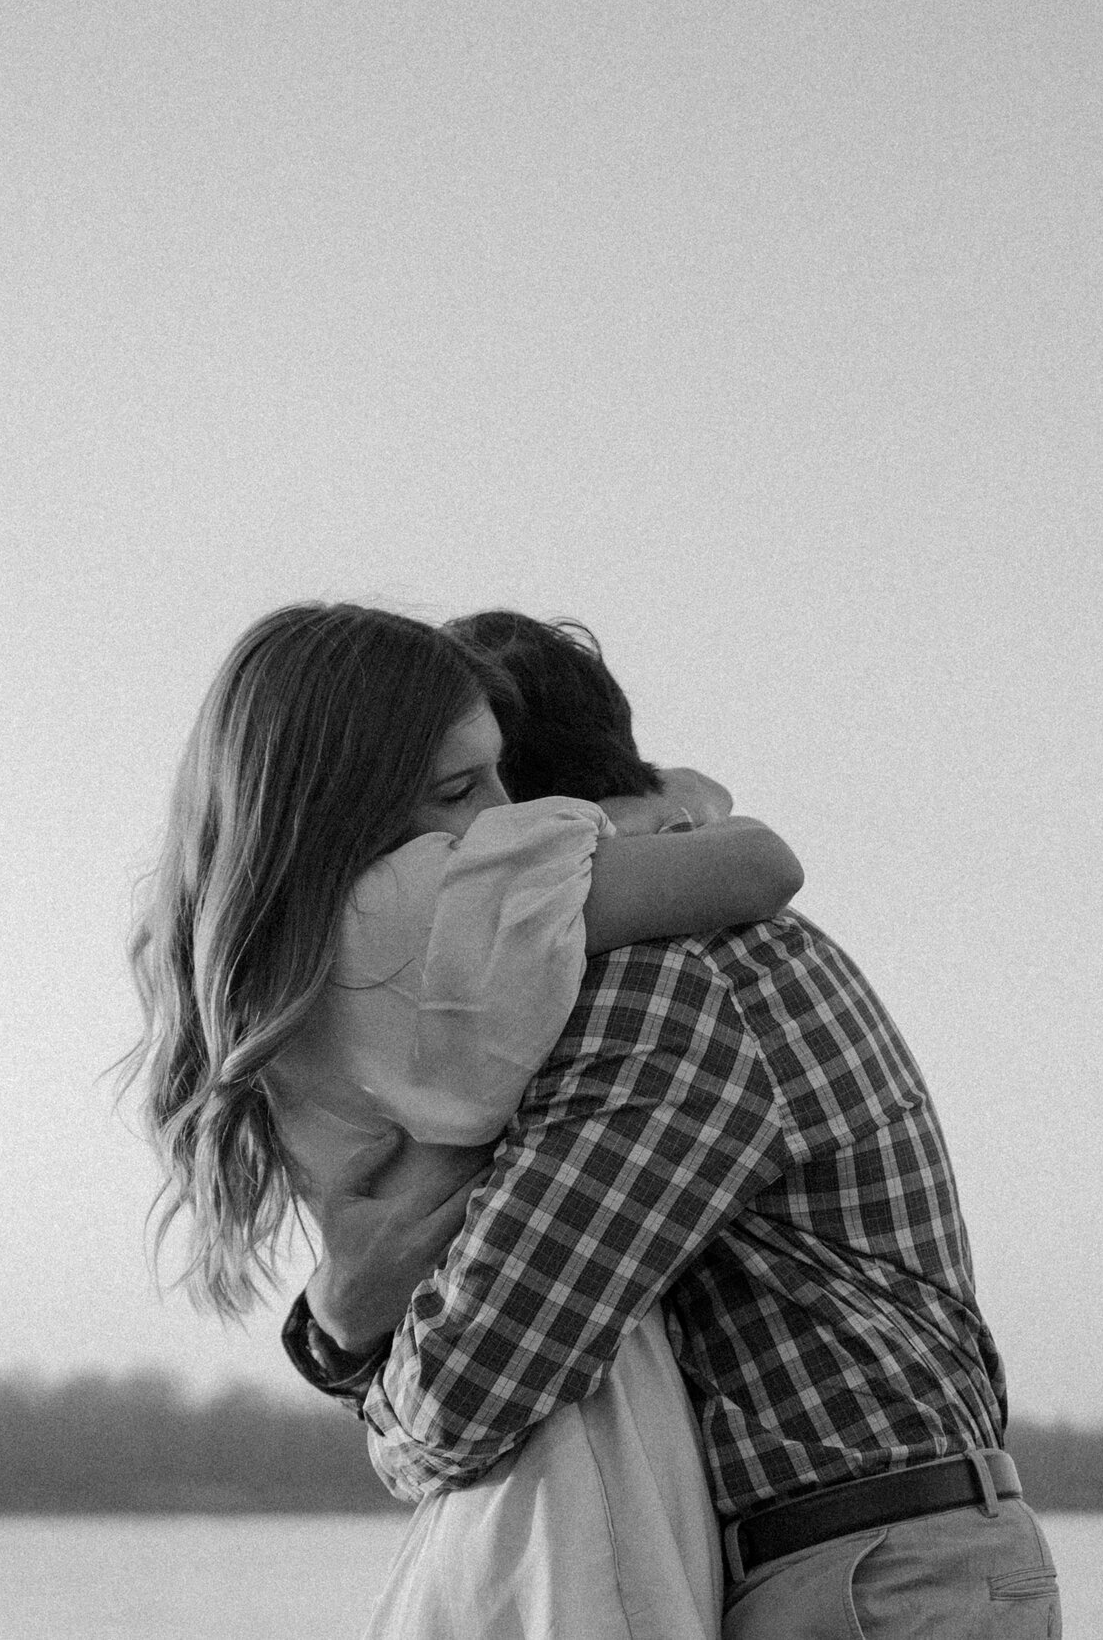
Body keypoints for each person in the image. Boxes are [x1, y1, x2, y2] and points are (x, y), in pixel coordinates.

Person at [287, 611, 1064, 1638]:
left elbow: (469, 1391)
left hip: (865, 1580)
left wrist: (344, 1334)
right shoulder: (696, 945)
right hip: (878, 1564)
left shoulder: (661, 986)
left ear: (530, 823)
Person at [127, 601, 801, 1639]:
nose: (499, 812)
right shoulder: (413, 904)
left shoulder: (263, 938)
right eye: (460, 787)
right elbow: (760, 867)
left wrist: (345, 1333)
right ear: (341, 800)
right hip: (582, 1434)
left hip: (470, 1438)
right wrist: (657, 807)